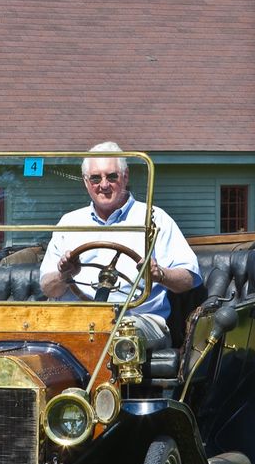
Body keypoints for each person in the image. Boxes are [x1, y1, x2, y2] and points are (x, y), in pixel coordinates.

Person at [40, 142, 201, 349]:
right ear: (86, 182)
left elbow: (189, 278)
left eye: (111, 176)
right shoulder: (69, 222)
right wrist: (64, 275)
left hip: (139, 320)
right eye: (96, 178)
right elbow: (48, 288)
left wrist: (158, 274)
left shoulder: (155, 219)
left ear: (125, 177)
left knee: (111, 332)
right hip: (76, 319)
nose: (104, 185)